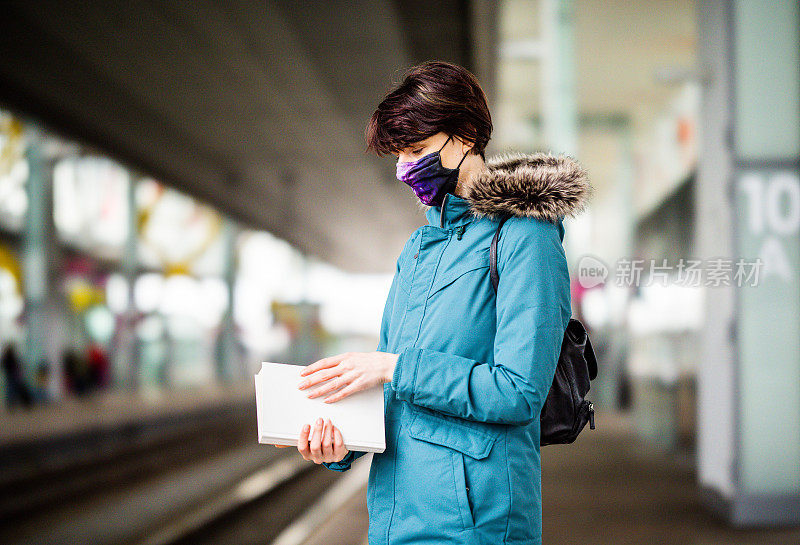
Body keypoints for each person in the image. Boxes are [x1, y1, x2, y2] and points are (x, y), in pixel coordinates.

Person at [283, 61, 592, 544]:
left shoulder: (524, 237)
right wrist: (338, 445)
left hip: (476, 523)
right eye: (400, 156)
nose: (406, 168)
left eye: (418, 150)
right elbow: (392, 389)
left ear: (466, 134)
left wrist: (395, 368)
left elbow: (518, 393)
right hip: (395, 517)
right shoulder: (418, 250)